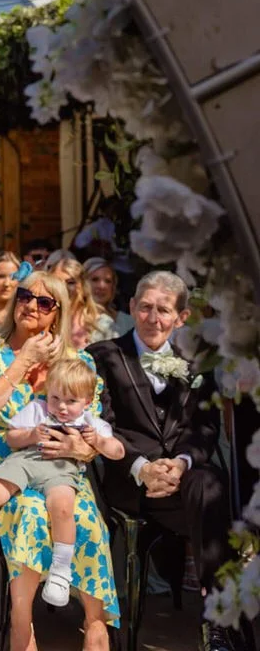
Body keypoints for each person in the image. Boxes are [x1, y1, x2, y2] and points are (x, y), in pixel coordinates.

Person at [88, 271, 243, 651]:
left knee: (211, 486)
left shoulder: (197, 362)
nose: (152, 318)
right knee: (213, 506)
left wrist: (183, 463)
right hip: (129, 482)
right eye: (145, 308)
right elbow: (100, 425)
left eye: (163, 310)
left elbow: (206, 427)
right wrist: (142, 467)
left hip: (184, 484)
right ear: (131, 307)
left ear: (181, 318)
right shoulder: (103, 355)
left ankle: (216, 619)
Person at [0, 271, 119, 651]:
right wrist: (23, 362)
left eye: (43, 302)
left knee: (86, 518)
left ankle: (95, 623)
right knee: (31, 514)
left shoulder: (77, 361)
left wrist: (77, 449)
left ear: (57, 313)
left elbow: (93, 441)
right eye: (24, 296)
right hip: (6, 467)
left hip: (62, 470)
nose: (31, 305)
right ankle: (22, 623)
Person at [0, 358, 123, 608]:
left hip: (61, 468)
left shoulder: (90, 422)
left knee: (64, 507)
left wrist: (98, 441)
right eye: (55, 398)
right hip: (26, 459)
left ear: (87, 402)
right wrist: (31, 434)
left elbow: (118, 451)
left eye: (71, 401)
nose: (61, 407)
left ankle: (60, 570)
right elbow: (12, 438)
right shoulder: (39, 409)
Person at [50, 257, 114, 349]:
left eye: (70, 282)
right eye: (57, 282)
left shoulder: (103, 324)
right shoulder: (43, 321)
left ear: (83, 286)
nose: (64, 288)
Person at [83, 257, 133, 338]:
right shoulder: (74, 320)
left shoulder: (128, 321)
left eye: (108, 281)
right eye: (95, 279)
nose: (102, 286)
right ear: (83, 283)